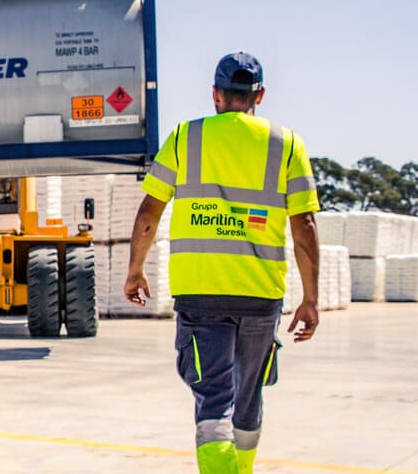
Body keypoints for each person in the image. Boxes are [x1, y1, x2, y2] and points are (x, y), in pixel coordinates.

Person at [123, 52, 321, 474]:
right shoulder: (287, 144)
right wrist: (311, 298)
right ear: (260, 95)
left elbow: (148, 214)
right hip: (261, 296)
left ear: (215, 93)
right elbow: (304, 224)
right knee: (249, 398)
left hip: (201, 295)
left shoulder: (183, 137)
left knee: (213, 399)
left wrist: (135, 270)